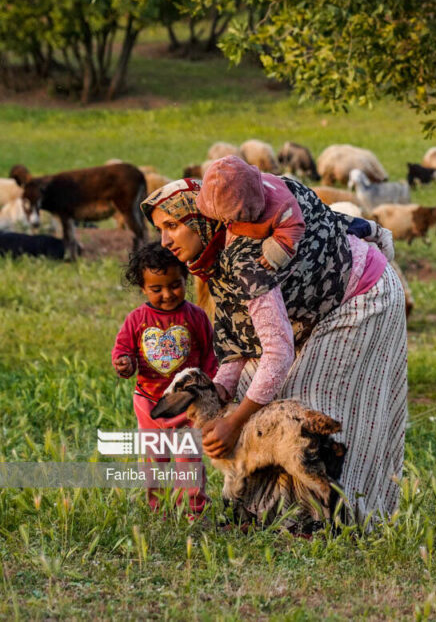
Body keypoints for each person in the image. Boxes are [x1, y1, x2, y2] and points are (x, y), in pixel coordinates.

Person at [142, 171, 407, 528]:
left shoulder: (248, 259)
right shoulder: (216, 250)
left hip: (360, 296)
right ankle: (262, 515)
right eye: (161, 228)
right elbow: (240, 336)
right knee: (258, 398)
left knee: (310, 410)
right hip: (308, 309)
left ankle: (337, 520)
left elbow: (277, 354)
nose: (165, 240)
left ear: (202, 217)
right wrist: (220, 391)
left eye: (173, 225)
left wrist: (233, 423)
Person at [112, 242, 218, 515]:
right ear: (143, 288)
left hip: (187, 405)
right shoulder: (136, 319)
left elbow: (209, 354)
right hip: (149, 403)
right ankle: (156, 508)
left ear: (187, 279)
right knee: (153, 461)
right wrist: (125, 364)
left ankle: (193, 509)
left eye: (175, 284)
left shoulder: (196, 316)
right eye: (157, 289)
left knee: (189, 462)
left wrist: (211, 388)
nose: (168, 294)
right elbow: (124, 350)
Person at [197, 155, 305, 272]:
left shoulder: (280, 207)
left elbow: (294, 225)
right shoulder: (228, 201)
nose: (225, 221)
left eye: (231, 217)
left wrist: (277, 252)